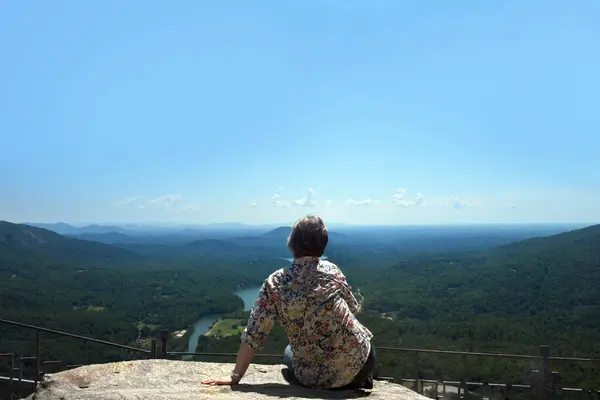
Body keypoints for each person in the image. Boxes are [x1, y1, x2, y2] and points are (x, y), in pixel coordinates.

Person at [202, 215, 375, 390]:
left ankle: (336, 381)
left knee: (289, 351)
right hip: (363, 359)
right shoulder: (333, 271)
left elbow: (254, 333)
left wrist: (235, 376)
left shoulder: (275, 282)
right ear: (322, 245)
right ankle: (356, 380)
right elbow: (352, 307)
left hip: (317, 377)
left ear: (292, 243)